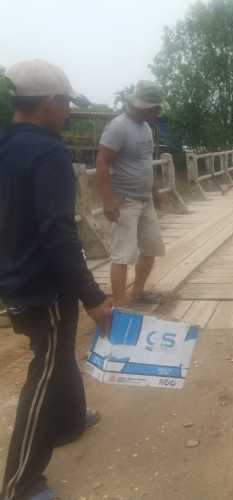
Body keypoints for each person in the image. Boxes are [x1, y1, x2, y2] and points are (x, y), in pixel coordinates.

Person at [0, 59, 113, 500]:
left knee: (60, 354)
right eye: (65, 103)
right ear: (49, 102)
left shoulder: (6, 146)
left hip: (17, 273)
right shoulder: (48, 152)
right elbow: (58, 230)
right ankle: (21, 482)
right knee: (45, 370)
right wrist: (92, 295)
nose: (68, 113)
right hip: (42, 283)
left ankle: (69, 422)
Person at [96, 81, 166, 307]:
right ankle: (120, 303)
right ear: (145, 106)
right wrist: (108, 200)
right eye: (156, 108)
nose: (158, 112)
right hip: (125, 201)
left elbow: (146, 162)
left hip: (145, 200)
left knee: (151, 248)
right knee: (123, 255)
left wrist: (154, 190)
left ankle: (137, 292)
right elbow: (102, 162)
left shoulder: (146, 127)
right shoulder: (119, 127)